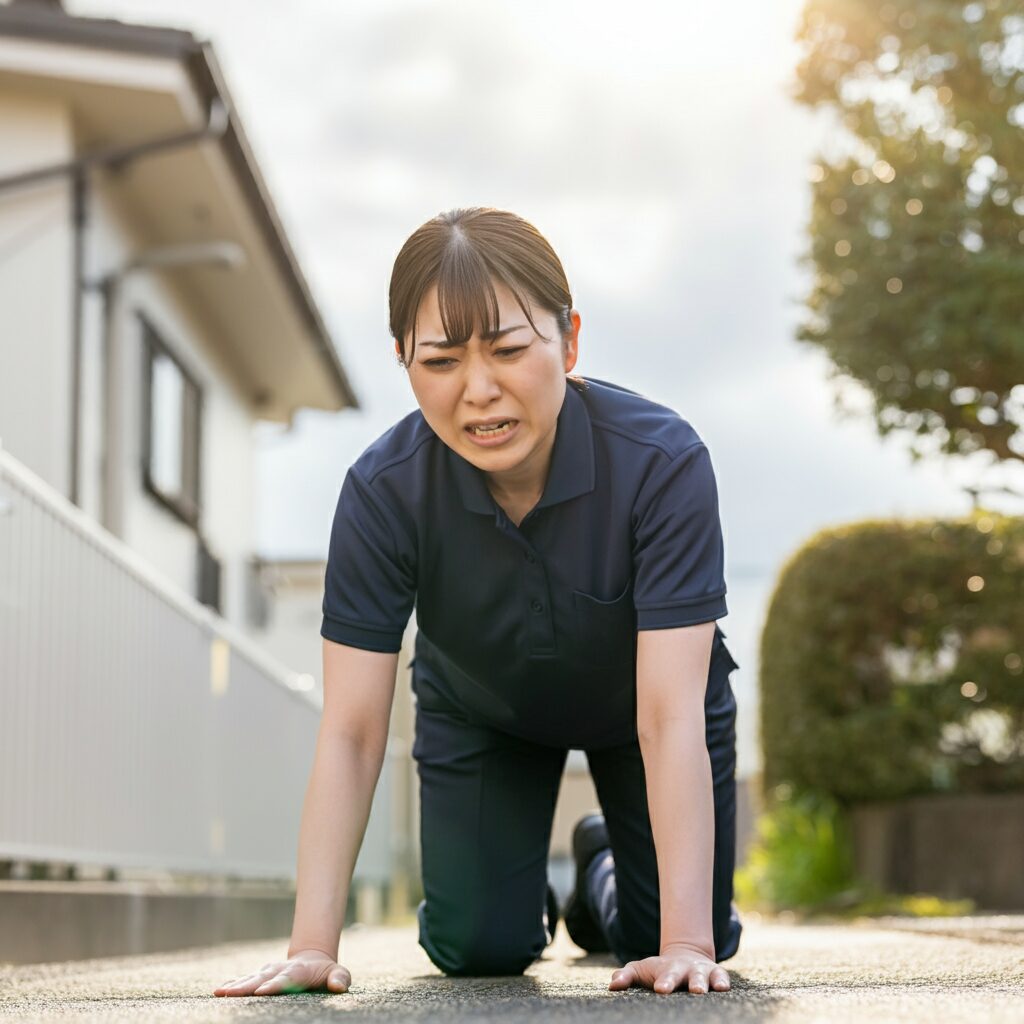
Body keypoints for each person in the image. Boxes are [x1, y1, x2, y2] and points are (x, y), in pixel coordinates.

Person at [213, 207, 742, 999]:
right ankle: (508, 884)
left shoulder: (663, 462)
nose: (479, 390)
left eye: (508, 349)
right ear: (403, 361)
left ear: (567, 342)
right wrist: (311, 945)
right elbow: (355, 732)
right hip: (483, 714)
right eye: (441, 360)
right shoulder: (382, 492)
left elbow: (668, 718)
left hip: (651, 719)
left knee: (667, 945)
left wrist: (688, 941)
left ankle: (598, 863)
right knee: (475, 949)